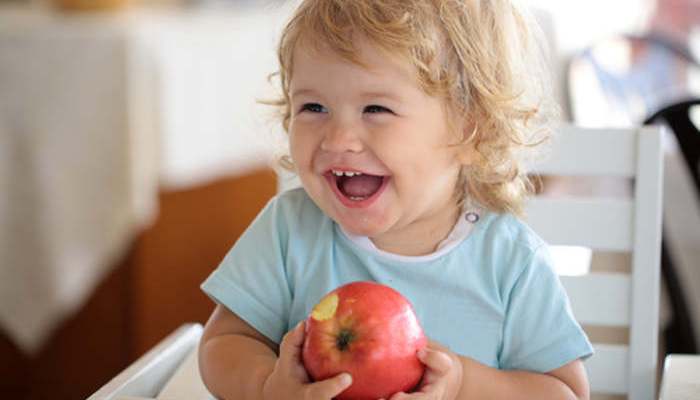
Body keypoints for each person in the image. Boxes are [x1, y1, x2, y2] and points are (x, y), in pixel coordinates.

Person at [198, 1, 593, 399]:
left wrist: (461, 384)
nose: (337, 139)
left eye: (376, 109)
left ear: (470, 131)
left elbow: (564, 393)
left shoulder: (511, 262)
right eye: (313, 107)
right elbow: (224, 343)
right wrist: (269, 387)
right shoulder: (289, 230)